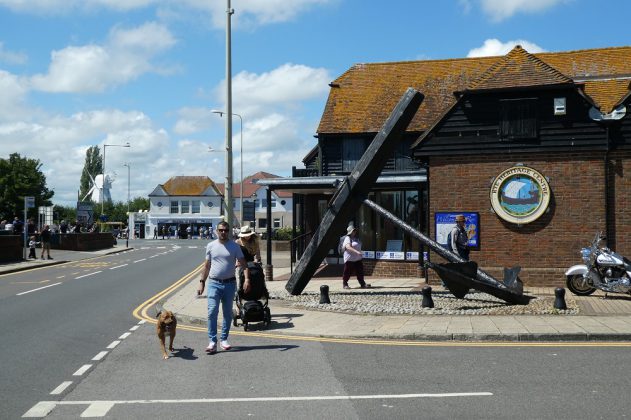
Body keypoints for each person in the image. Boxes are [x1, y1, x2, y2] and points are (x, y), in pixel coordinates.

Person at [197, 221, 251, 354]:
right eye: (221, 230)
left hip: (229, 284)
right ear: (217, 231)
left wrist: (247, 280)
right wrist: (202, 282)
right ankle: (212, 341)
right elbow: (207, 266)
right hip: (214, 283)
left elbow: (244, 264)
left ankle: (224, 339)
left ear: (229, 232)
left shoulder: (235, 246)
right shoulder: (211, 246)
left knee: (227, 313)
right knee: (212, 311)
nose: (223, 232)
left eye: (226, 230)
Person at [342, 225, 370, 289]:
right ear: (350, 232)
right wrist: (357, 252)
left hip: (358, 259)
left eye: (355, 230)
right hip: (350, 259)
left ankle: (362, 284)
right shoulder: (347, 238)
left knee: (360, 272)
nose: (355, 231)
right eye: (353, 230)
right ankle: (345, 284)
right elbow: (348, 247)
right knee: (347, 272)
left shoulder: (356, 238)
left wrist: (360, 252)